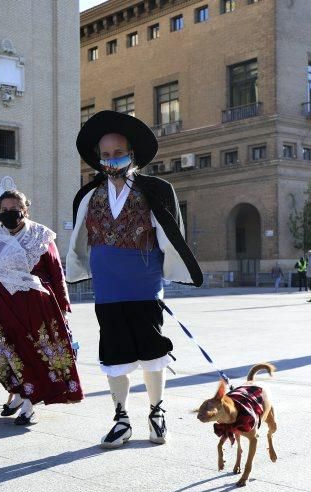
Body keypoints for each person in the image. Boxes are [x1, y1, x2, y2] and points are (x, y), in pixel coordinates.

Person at [68, 110, 203, 449]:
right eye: (106, 155)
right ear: (99, 159)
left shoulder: (156, 189)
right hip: (107, 288)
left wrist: (171, 275)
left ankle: (157, 413)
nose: (112, 160)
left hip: (144, 284)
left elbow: (172, 236)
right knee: (113, 352)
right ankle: (121, 418)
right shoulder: (88, 196)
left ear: (133, 153)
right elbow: (81, 241)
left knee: (152, 349)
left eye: (119, 152)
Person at [0, 189, 83, 425]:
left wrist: (63, 306)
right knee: (9, 354)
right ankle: (21, 394)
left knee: (32, 355)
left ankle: (29, 405)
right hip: (1, 307)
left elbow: (56, 272)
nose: (8, 214)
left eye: (14, 210)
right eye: (4, 210)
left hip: (35, 306)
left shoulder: (40, 235)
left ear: (25, 210)